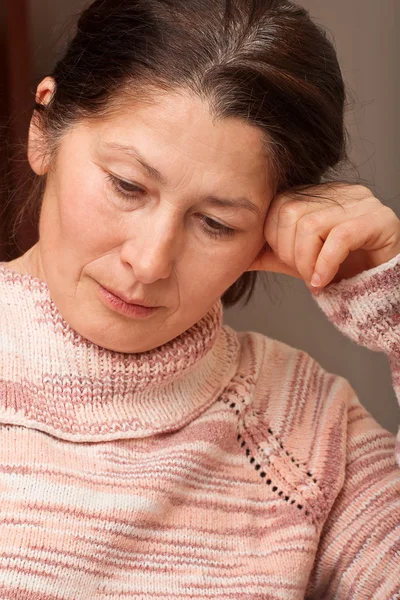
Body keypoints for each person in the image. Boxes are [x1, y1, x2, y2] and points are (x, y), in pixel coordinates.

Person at [0, 0, 399, 597]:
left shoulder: (308, 432)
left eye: (215, 223)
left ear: (269, 226)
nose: (151, 261)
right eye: (128, 186)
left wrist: (393, 296)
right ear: (44, 131)